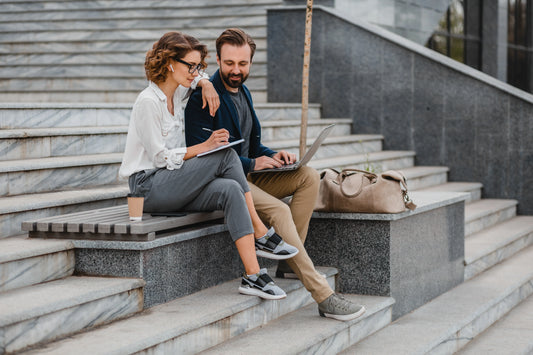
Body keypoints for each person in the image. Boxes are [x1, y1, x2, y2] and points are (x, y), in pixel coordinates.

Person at [185, 28, 366, 321]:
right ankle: (323, 295)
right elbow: (203, 155)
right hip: (224, 182)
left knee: (308, 175)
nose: (235, 70)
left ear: (251, 63)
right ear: (217, 59)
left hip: (248, 173)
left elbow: (251, 145)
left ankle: (287, 264)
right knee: (280, 211)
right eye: (229, 63)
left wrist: (272, 155)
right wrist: (252, 164)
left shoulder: (242, 91)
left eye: (243, 64)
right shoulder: (202, 97)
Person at [118, 31, 300, 300]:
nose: (195, 72)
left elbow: (200, 78)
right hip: (147, 187)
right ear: (170, 64)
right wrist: (204, 147)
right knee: (224, 153)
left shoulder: (180, 93)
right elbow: (159, 158)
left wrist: (206, 84)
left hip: (173, 183)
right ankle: (261, 231)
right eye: (190, 66)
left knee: (230, 189)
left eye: (197, 66)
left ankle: (253, 276)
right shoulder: (148, 102)